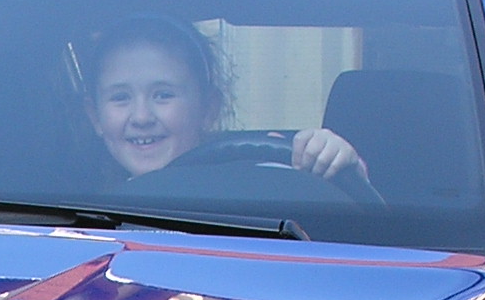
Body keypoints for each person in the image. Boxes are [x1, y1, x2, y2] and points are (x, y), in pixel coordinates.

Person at [81, 14, 368, 189]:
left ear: (209, 109)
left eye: (163, 95)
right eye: (120, 97)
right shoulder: (78, 217)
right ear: (95, 117)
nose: (142, 117)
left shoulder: (264, 178)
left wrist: (335, 164)